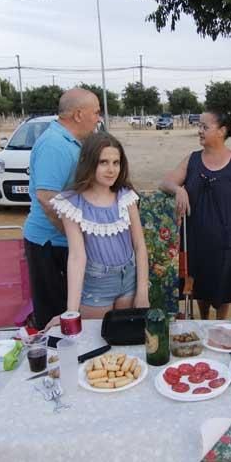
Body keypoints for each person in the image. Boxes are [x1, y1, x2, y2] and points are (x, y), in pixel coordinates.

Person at [160, 108, 231, 320]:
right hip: (195, 237)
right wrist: (179, 189)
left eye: (205, 127)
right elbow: (166, 182)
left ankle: (220, 323)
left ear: (222, 131)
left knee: (223, 286)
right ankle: (203, 321)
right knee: (198, 285)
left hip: (227, 239)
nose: (199, 131)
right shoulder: (192, 160)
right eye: (199, 126)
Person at [44, 133, 148, 327]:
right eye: (103, 162)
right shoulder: (72, 204)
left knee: (126, 336)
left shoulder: (126, 197)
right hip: (97, 284)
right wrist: (71, 312)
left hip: (129, 279)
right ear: (89, 163)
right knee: (97, 340)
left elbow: (140, 246)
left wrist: (142, 292)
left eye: (116, 162)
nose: (111, 170)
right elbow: (76, 256)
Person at [23, 87, 101, 328]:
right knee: (55, 315)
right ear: (78, 115)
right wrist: (75, 236)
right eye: (96, 113)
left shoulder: (72, 142)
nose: (99, 119)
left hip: (63, 244)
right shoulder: (54, 145)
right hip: (51, 246)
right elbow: (48, 199)